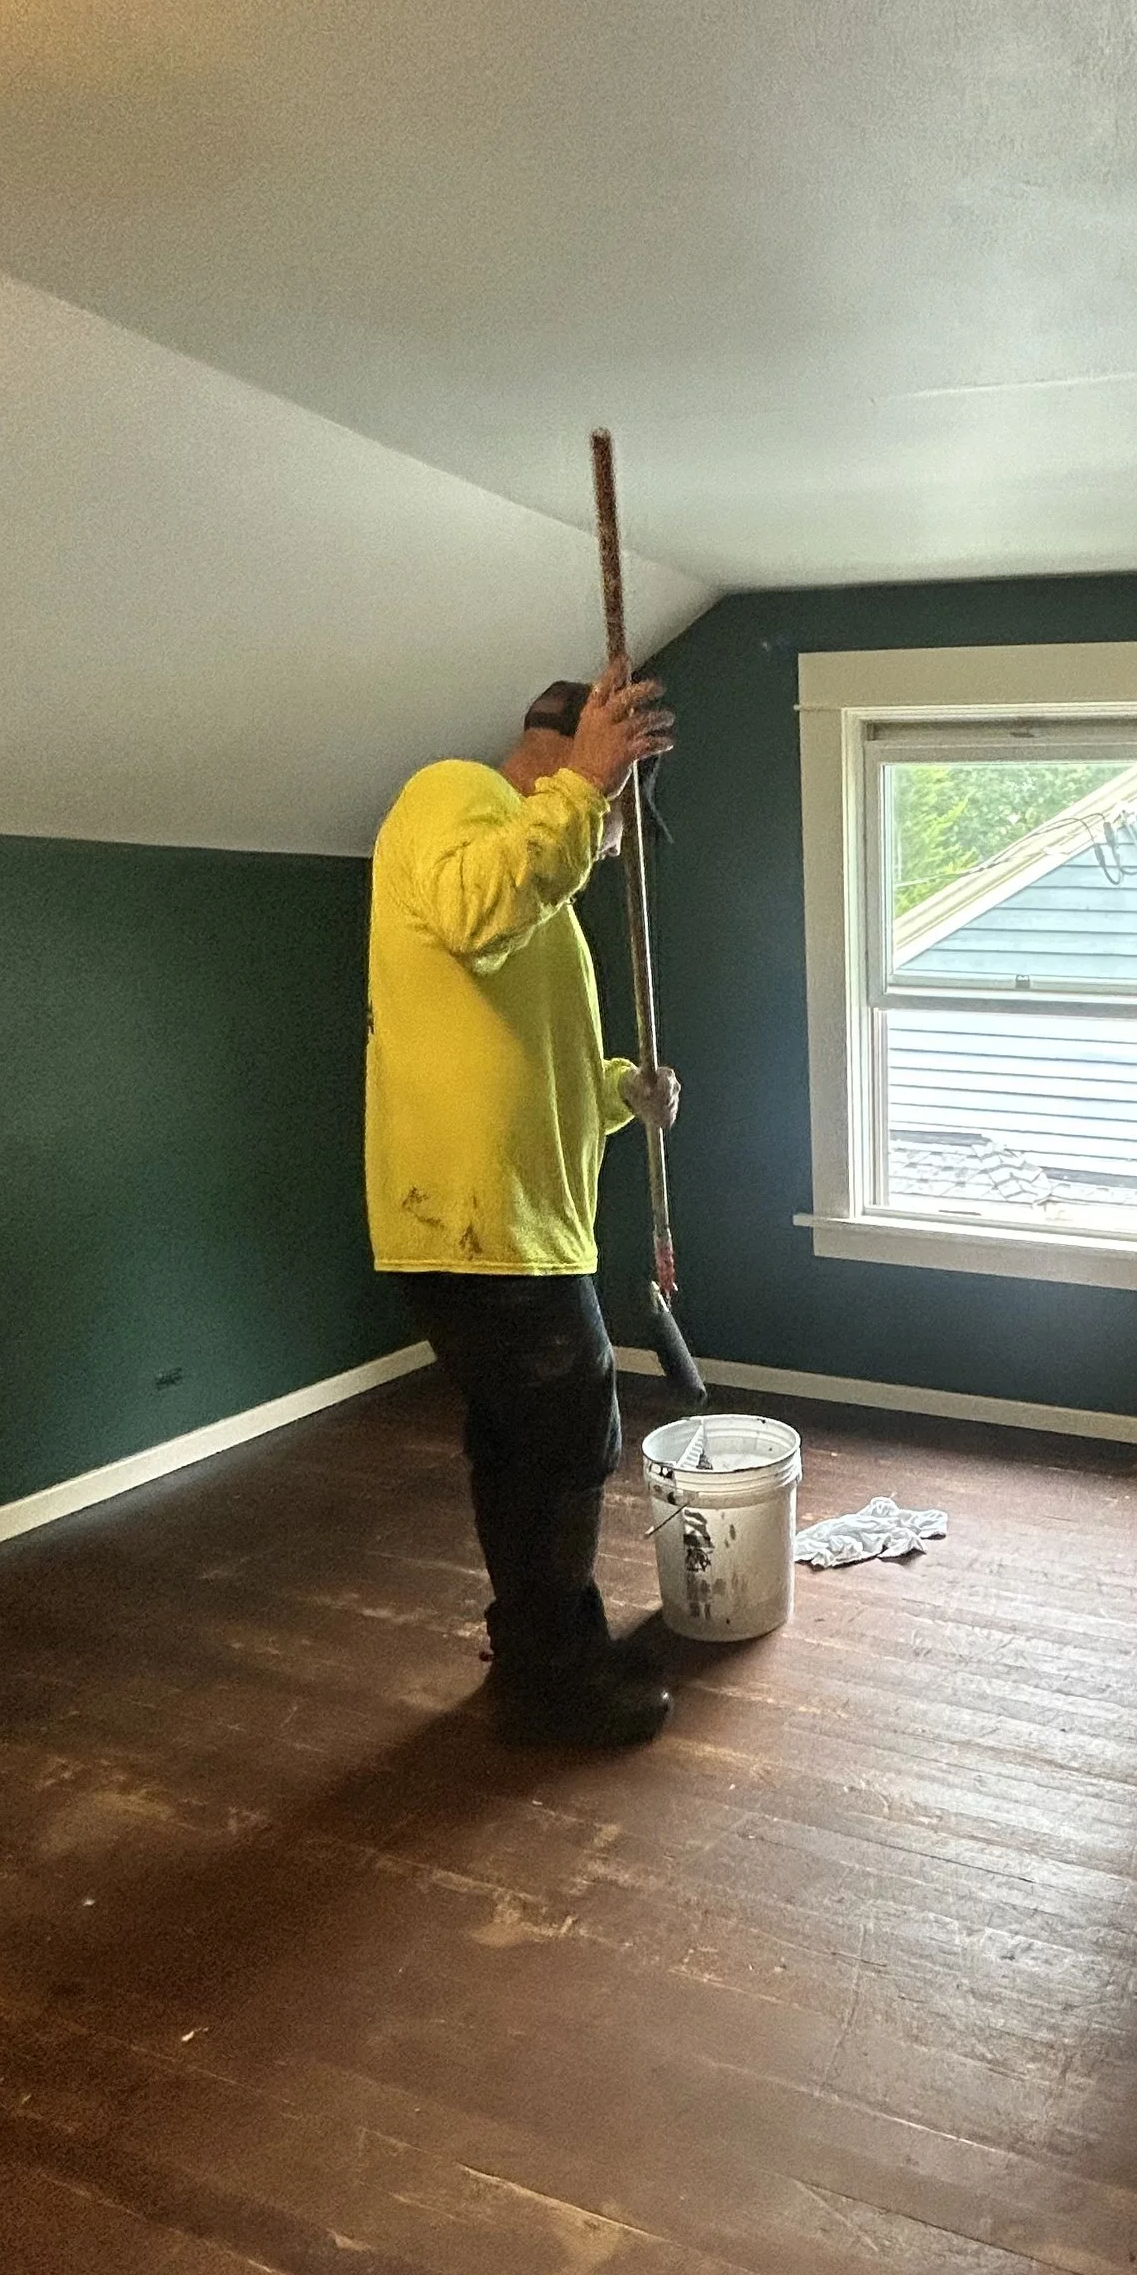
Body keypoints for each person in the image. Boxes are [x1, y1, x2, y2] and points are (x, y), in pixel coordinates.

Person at [364, 658, 680, 1747]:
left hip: (520, 1216)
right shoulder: (454, 794)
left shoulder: (535, 865)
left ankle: (529, 1645)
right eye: (622, 810)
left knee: (525, 1445)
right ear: (571, 746)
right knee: (568, 1439)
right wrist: (586, 787)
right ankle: (555, 1672)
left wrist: (614, 1092)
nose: (613, 834)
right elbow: (471, 916)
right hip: (477, 1218)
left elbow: (525, 1068)